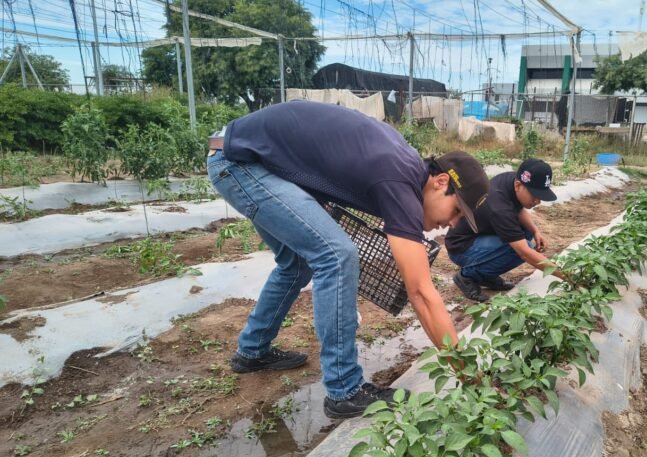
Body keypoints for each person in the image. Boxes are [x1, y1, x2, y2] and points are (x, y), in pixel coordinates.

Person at [206, 100, 489, 418]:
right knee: (336, 255)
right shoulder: (399, 179)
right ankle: (344, 390)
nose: (452, 225)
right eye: (455, 212)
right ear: (441, 182)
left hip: (249, 157)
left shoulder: (405, 172)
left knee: (297, 262)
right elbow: (422, 292)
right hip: (241, 162)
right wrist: (467, 373)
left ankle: (252, 351)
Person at [446, 159, 557, 302]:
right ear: (518, 185)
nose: (538, 201)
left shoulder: (513, 180)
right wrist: (566, 276)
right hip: (462, 247)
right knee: (521, 249)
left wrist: (536, 231)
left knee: (527, 232)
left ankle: (486, 276)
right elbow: (525, 253)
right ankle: (467, 276)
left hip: (481, 235)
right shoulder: (499, 207)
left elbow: (517, 208)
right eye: (535, 195)